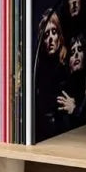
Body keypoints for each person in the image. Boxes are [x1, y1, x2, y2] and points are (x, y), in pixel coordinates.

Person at [33, 9, 68, 141]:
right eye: (46, 35)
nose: (51, 38)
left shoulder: (67, 66)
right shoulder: (39, 70)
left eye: (54, 32)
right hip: (43, 133)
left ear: (59, 36)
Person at [57, 32, 86, 127]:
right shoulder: (63, 89)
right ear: (68, 61)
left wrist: (85, 99)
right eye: (72, 53)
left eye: (79, 50)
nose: (76, 54)